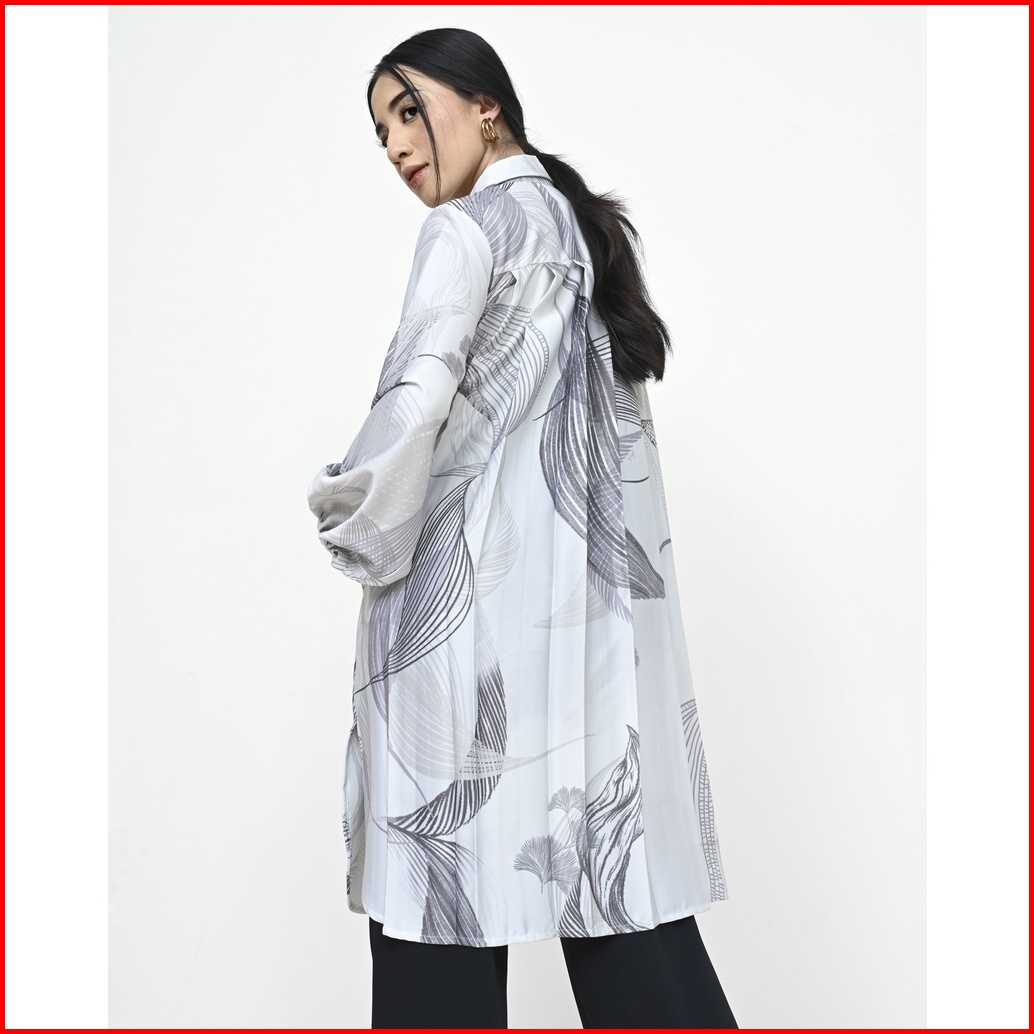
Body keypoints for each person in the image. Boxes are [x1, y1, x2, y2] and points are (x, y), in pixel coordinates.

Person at [308, 27, 738, 1030]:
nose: (396, 146)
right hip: (589, 650)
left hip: (464, 649)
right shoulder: (583, 237)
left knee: (437, 928)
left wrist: (341, 509)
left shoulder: (466, 232)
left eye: (407, 111)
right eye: (380, 132)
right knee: (624, 914)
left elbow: (411, 411)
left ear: (484, 104)